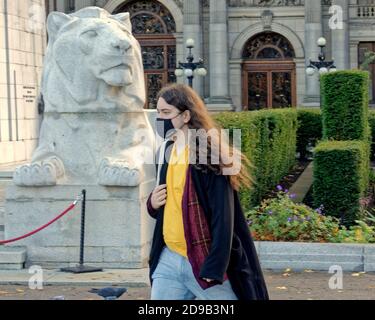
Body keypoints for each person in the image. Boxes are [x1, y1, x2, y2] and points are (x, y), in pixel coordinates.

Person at [146, 83, 269, 300]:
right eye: (158, 113)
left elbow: (224, 216)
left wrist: (214, 266)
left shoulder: (208, 155)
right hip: (168, 258)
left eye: (166, 113)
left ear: (185, 116)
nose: (160, 119)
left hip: (204, 260)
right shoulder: (166, 150)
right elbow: (170, 202)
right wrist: (152, 204)